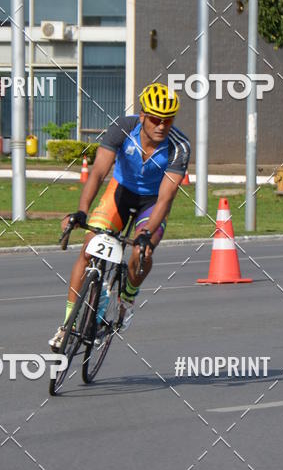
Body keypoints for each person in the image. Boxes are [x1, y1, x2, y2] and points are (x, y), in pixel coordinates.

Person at [49, 82, 191, 351]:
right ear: (142, 116)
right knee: (89, 249)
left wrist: (146, 235)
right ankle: (68, 323)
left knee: (142, 254)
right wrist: (82, 211)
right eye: (155, 119)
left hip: (151, 202)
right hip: (120, 193)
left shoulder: (179, 146)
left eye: (167, 120)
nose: (161, 126)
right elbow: (99, 173)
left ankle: (128, 295)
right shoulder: (123, 128)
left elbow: (166, 197)